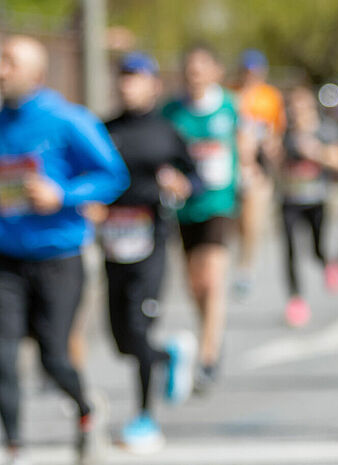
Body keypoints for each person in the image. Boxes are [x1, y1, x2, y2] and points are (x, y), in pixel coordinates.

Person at [0, 36, 130, 465]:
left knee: (53, 356)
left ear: (35, 74)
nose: (0, 70)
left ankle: (87, 408)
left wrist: (63, 194)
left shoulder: (67, 120)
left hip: (58, 255)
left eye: (9, 61)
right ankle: (14, 445)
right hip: (6, 259)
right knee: (2, 354)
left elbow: (112, 175)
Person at [99, 52, 199, 453]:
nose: (128, 85)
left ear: (153, 84)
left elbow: (194, 177)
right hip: (111, 241)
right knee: (121, 339)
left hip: (151, 240)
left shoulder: (167, 131)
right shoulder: (102, 129)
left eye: (136, 78)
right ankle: (168, 354)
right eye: (123, 77)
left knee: (139, 328)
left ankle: (144, 418)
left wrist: (183, 184)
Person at [162, 45, 244, 393]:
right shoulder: (171, 112)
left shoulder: (229, 107)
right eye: (189, 68)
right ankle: (210, 330)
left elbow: (246, 143)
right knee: (194, 284)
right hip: (185, 207)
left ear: (215, 71)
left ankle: (208, 357)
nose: (194, 74)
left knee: (212, 277)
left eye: (201, 68)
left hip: (219, 202)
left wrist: (250, 166)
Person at [275, 85, 338, 327]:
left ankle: (329, 262)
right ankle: (296, 300)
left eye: (302, 107)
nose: (297, 112)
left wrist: (316, 152)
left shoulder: (325, 131)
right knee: (290, 251)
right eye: (293, 108)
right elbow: (275, 164)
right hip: (289, 200)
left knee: (315, 248)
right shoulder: (284, 133)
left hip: (316, 199)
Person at [232, 49, 286, 299]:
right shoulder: (230, 94)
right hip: (235, 165)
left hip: (259, 165)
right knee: (239, 222)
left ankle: (246, 267)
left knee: (253, 219)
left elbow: (277, 132)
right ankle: (236, 259)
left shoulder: (270, 97)